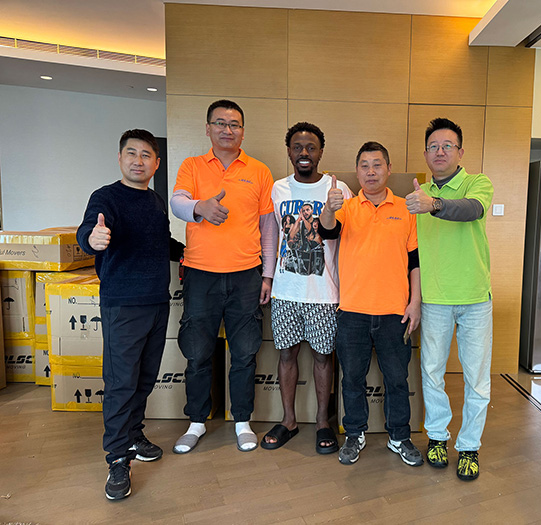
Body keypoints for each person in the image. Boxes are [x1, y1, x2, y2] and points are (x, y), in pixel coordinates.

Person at [77, 129, 184, 501]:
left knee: (144, 379)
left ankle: (134, 435)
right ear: (120, 158)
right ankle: (118, 459)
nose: (138, 160)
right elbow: (89, 230)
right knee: (121, 383)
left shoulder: (155, 201)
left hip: (156, 302)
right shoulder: (106, 197)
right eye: (131, 153)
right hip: (122, 304)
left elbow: (161, 243)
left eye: (146, 155)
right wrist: (92, 239)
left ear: (156, 163)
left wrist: (188, 253)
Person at [170, 99, 276, 454]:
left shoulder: (259, 171)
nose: (227, 130)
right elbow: (177, 202)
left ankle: (242, 420)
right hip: (201, 274)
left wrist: (268, 274)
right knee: (197, 351)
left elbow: (268, 226)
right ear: (208, 128)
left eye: (234, 124)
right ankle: (197, 421)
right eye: (220, 123)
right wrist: (199, 207)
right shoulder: (192, 166)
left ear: (243, 131)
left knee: (245, 352)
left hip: (247, 274)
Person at [318, 141, 423, 467]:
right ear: (357, 171)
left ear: (389, 169)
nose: (371, 171)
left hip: (395, 312)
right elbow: (326, 231)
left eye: (377, 165)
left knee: (397, 380)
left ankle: (399, 436)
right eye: (364, 165)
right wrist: (329, 207)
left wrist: (415, 302)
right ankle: (354, 434)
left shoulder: (406, 208)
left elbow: (415, 261)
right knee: (352, 379)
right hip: (352, 312)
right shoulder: (346, 208)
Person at [405, 117, 494, 481]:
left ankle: (469, 446)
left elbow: (473, 209)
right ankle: (438, 438)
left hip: (475, 298)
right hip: (435, 299)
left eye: (447, 146)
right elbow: (411, 251)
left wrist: (435, 204)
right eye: (433, 146)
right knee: (432, 373)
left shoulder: (477, 183)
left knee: (477, 379)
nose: (439, 152)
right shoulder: (417, 196)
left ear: (460, 151)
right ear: (425, 153)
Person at [261, 122, 352, 454]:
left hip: (324, 292)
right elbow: (272, 237)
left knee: (323, 357)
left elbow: (347, 239)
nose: (304, 153)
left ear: (320, 152)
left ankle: (323, 421)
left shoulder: (338, 189)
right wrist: (268, 277)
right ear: (288, 151)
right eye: (297, 146)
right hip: (286, 291)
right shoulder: (278, 189)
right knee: (286, 354)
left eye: (311, 147)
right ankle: (288, 420)